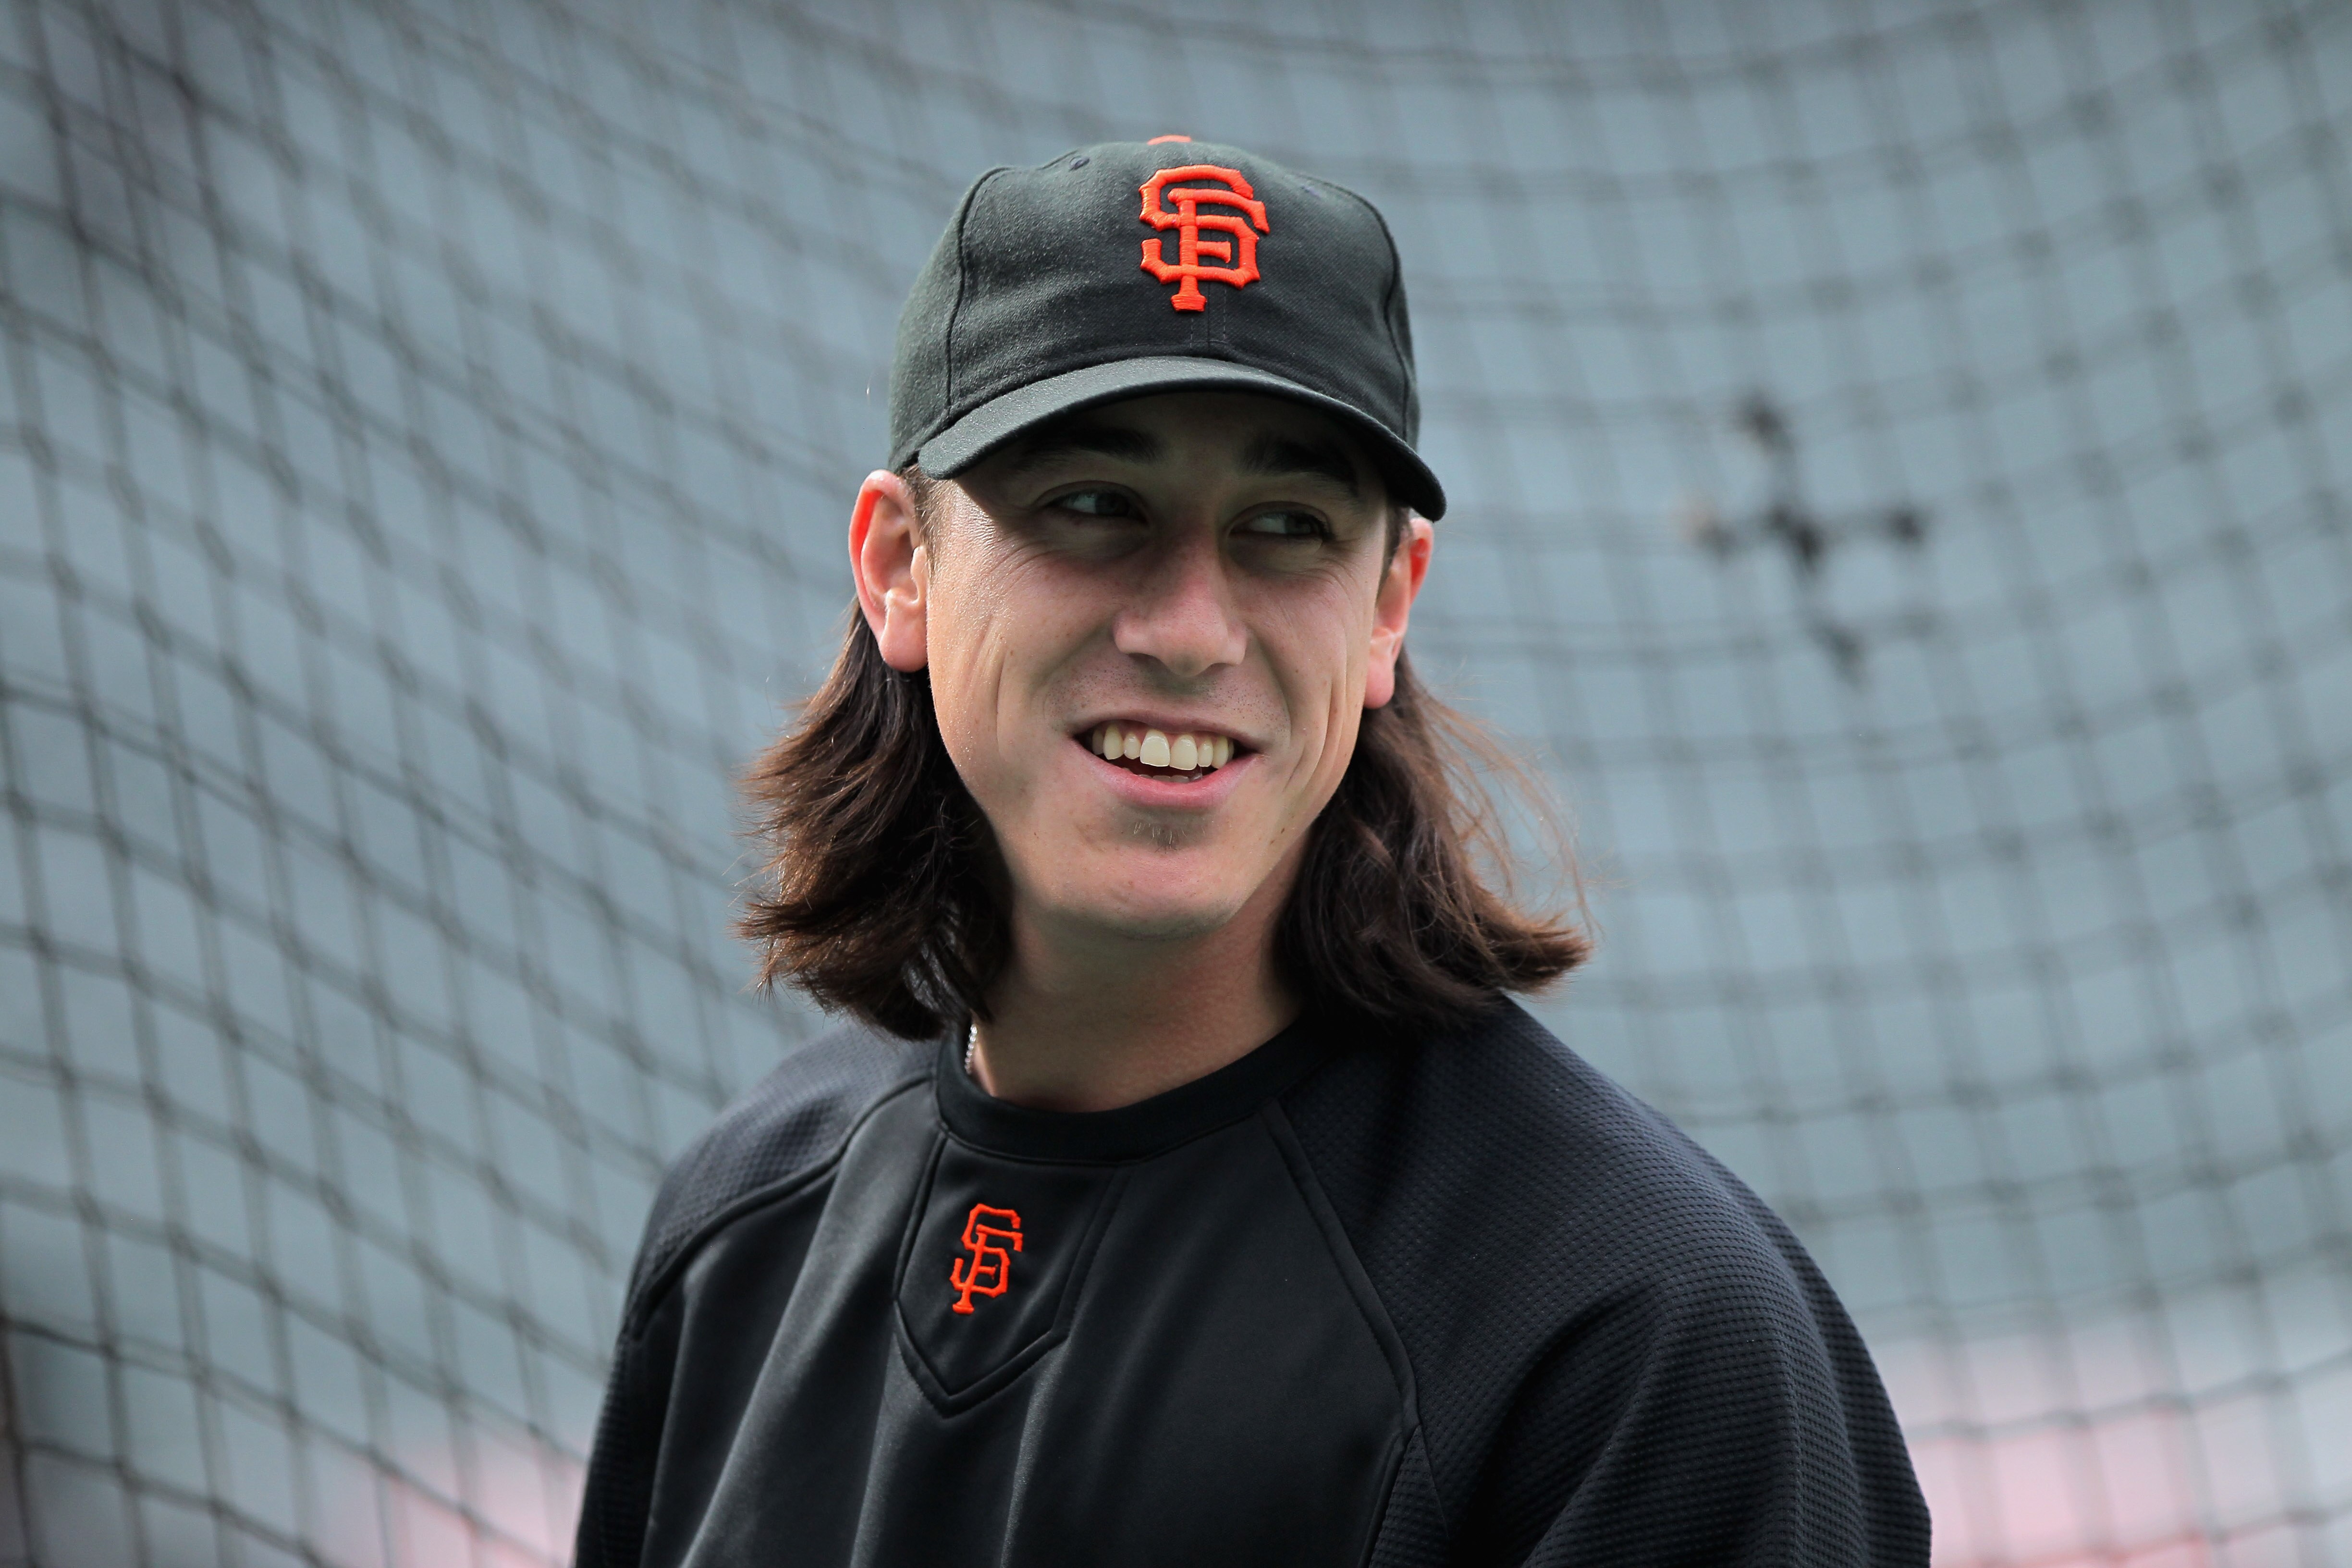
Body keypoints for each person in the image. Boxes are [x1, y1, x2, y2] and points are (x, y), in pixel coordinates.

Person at [572, 137, 1930, 1568]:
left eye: (1286, 529)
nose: (1190, 627)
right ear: (899, 564)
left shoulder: (1627, 1341)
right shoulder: (744, 1227)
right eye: (1096, 505)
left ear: (1388, 606)